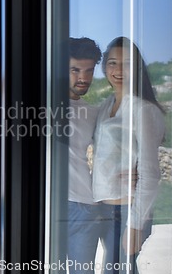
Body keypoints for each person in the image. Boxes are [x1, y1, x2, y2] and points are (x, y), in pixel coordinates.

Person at [92, 36, 165, 274]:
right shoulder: (105, 105)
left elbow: (151, 174)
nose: (118, 70)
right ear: (104, 67)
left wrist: (135, 225)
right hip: (103, 210)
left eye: (126, 63)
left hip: (126, 212)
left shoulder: (143, 110)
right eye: (112, 63)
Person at [65, 37, 103, 274]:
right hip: (46, 205)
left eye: (89, 70)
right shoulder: (35, 102)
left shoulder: (93, 113)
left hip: (84, 208)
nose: (84, 78)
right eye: (75, 70)